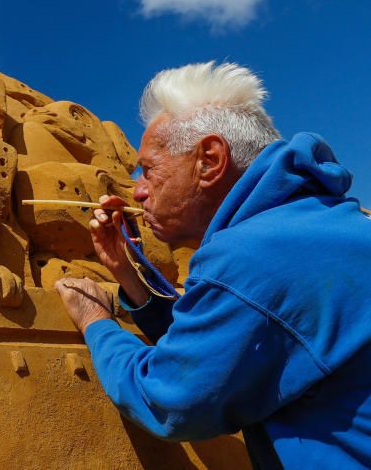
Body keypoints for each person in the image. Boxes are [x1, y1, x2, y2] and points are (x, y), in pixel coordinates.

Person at [54, 62, 371, 469]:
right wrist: (128, 273)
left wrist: (96, 320)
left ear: (210, 159)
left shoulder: (251, 255)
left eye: (148, 169)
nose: (138, 190)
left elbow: (169, 401)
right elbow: (230, 345)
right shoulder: (321, 225)